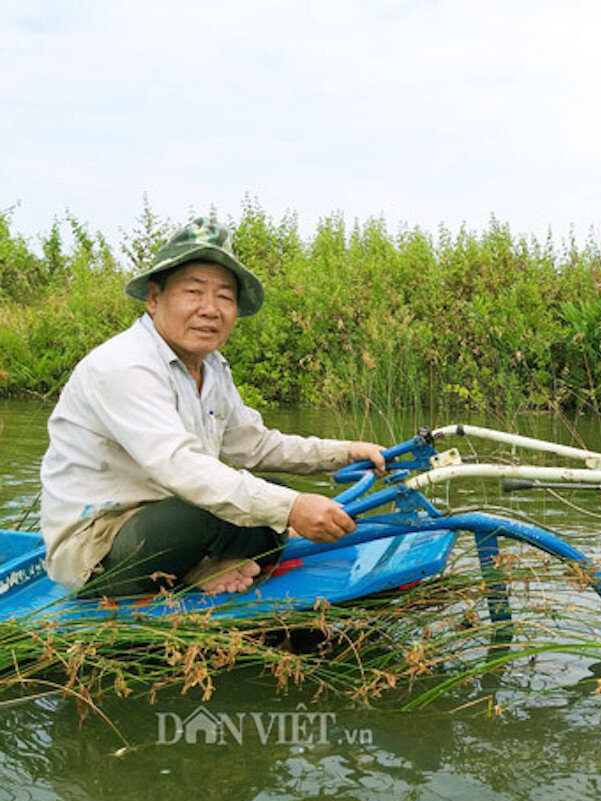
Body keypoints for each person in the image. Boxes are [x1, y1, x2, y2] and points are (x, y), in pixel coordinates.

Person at [40, 216, 387, 598]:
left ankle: (200, 567)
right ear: (154, 299)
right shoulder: (122, 365)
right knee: (242, 511)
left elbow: (255, 446)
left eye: (224, 297)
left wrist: (346, 452)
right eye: (193, 292)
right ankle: (196, 568)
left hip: (176, 521)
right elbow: (181, 467)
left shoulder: (212, 367)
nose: (210, 309)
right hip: (100, 552)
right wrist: (292, 509)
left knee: (272, 489)